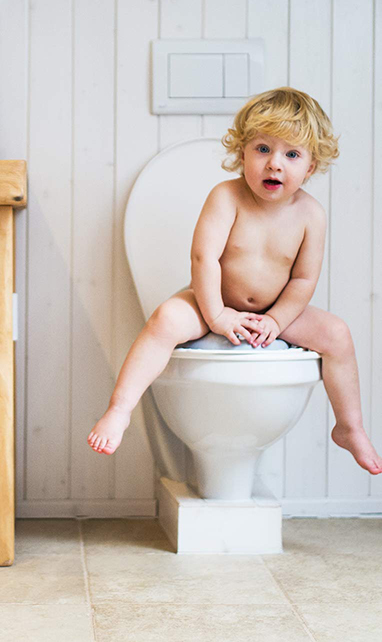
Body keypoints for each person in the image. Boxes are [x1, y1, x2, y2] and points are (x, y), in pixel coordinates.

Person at [87, 87, 382, 475]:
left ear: (310, 167)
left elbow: (303, 279)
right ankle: (119, 410)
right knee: (165, 321)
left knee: (338, 334)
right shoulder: (226, 197)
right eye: (263, 149)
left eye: (291, 155)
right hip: (210, 300)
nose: (275, 164)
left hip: (276, 310)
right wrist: (217, 316)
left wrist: (277, 320)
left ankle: (350, 426)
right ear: (242, 151)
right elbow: (204, 259)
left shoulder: (311, 214)